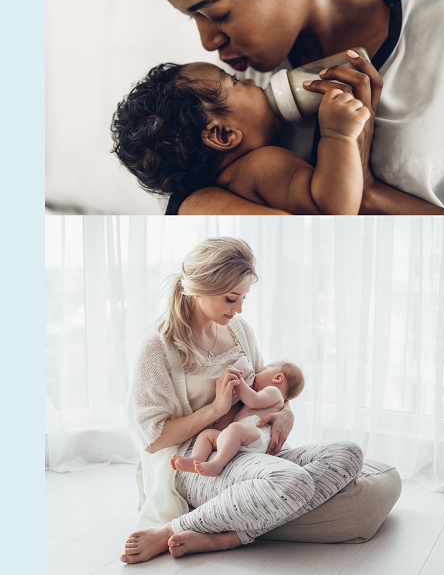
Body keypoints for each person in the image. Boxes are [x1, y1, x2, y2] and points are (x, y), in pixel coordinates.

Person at [135, 0, 444, 216]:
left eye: (217, 13)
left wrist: (368, 193)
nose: (207, 43)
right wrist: (191, 205)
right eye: (194, 18)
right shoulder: (234, 89)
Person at [121, 237, 364, 562]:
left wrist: (286, 413)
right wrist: (216, 409)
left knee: (348, 452)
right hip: (197, 458)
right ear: (198, 287)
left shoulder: (240, 330)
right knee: (293, 482)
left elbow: (269, 387)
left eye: (244, 297)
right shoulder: (158, 347)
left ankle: (233, 535)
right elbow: (153, 440)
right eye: (231, 298)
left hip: (250, 446)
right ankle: (172, 530)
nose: (239, 309)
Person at [111, 55, 371, 215]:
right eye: (234, 81)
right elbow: (332, 210)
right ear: (222, 135)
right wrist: (338, 135)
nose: (249, 80)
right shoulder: (261, 165)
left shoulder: (229, 185)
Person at [171, 361, 305, 477]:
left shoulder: (274, 392)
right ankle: (196, 459)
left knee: (235, 428)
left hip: (257, 436)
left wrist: (238, 381)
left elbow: (253, 401)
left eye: (263, 370)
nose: (256, 374)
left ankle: (216, 465)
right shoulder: (273, 396)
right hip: (237, 437)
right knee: (207, 435)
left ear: (278, 377)